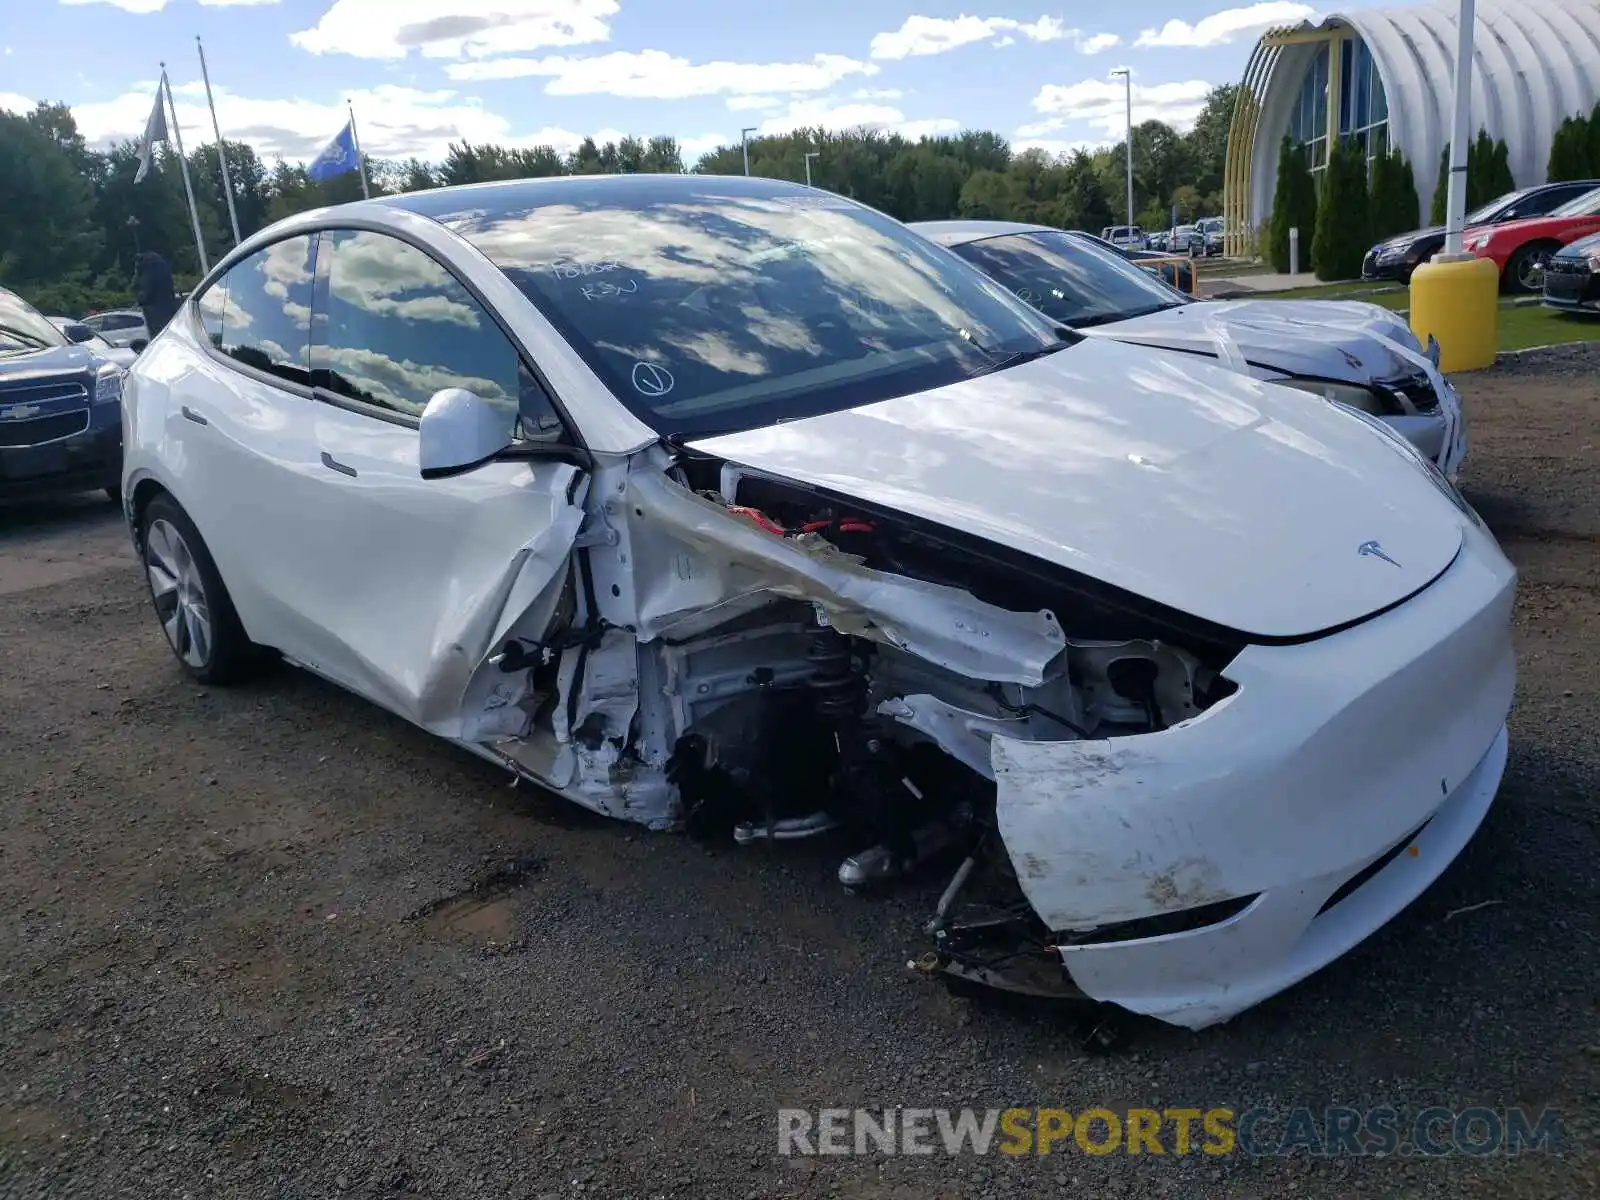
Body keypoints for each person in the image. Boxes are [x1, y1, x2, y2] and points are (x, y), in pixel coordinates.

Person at [134, 251, 180, 338]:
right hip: (168, 305)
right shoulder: (161, 267)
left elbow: (145, 293)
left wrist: (139, 299)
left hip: (154, 310)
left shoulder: (147, 273)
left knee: (158, 334)